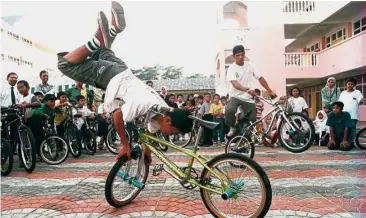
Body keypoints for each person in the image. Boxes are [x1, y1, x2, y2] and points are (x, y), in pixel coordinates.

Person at [56, 2, 193, 163]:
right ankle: (96, 40)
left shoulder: (161, 112)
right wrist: (125, 145)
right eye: (172, 132)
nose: (170, 136)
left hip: (123, 71)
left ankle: (114, 29)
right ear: (169, 121)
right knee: (64, 65)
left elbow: (149, 134)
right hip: (110, 77)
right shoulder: (146, 104)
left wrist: (147, 153)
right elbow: (118, 114)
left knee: (103, 51)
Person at [225, 45, 277, 137]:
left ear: (244, 54)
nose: (240, 57)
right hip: (235, 96)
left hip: (247, 98)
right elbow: (235, 84)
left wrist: (269, 91)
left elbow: (260, 78)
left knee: (252, 119)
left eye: (242, 54)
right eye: (238, 55)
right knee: (229, 110)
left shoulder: (250, 66)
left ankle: (245, 136)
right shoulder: (231, 68)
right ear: (234, 56)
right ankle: (233, 127)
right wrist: (246, 89)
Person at [338, 78, 364, 145]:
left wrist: (361, 100)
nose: (350, 85)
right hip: (343, 114)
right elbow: (339, 103)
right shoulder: (343, 93)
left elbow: (360, 99)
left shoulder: (357, 92)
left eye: (352, 84)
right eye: (348, 84)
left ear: (354, 85)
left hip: (353, 115)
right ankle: (343, 142)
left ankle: (351, 142)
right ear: (346, 85)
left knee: (352, 129)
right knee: (343, 129)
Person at [0, 72, 21, 149]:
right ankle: (4, 148)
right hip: (4, 111)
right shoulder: (2, 88)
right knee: (4, 130)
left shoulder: (18, 90)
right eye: (12, 77)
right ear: (7, 78)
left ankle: (12, 148)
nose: (14, 79)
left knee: (14, 131)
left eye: (15, 78)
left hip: (15, 112)